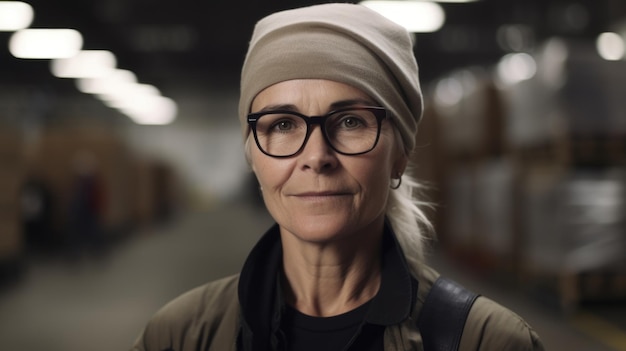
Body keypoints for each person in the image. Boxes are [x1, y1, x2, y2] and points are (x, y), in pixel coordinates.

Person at [131, 3, 544, 351]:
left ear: (400, 155)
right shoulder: (181, 335)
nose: (316, 156)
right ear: (254, 157)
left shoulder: (484, 341)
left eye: (349, 121)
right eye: (283, 125)